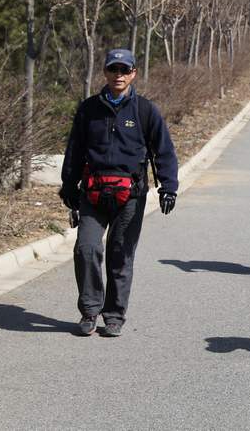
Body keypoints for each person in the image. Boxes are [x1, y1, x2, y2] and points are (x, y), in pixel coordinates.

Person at [59, 48, 179, 337]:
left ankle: (113, 315)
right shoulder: (89, 109)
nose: (118, 75)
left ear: (134, 74)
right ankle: (89, 311)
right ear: (105, 72)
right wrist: (69, 187)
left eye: (124, 70)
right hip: (93, 193)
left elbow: (164, 151)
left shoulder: (145, 110)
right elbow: (74, 151)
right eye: (113, 69)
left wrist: (169, 187)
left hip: (131, 196)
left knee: (120, 255)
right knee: (86, 249)